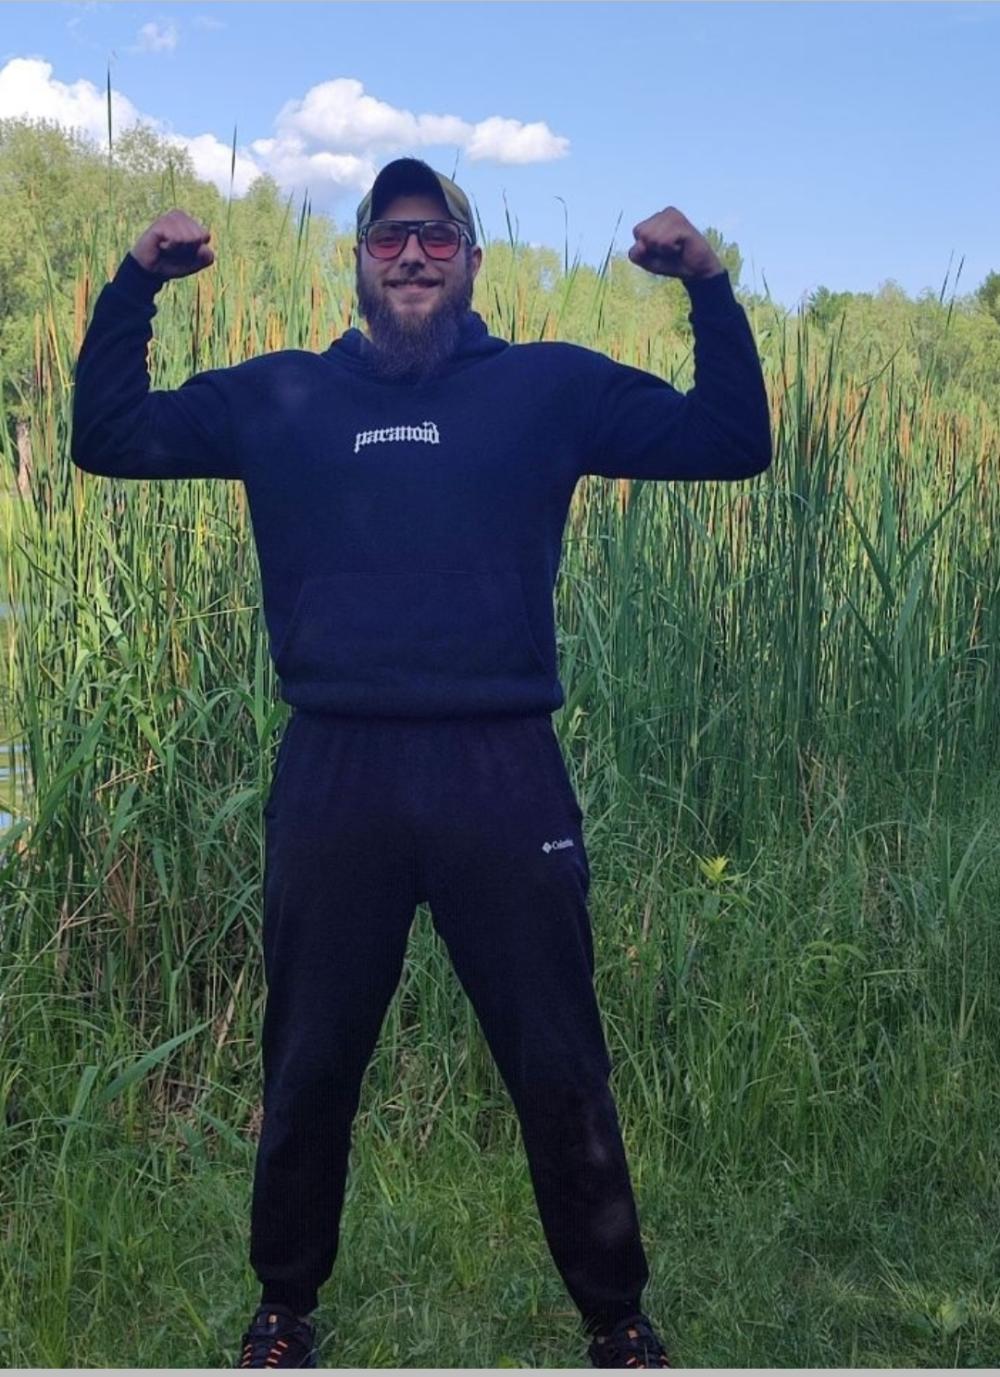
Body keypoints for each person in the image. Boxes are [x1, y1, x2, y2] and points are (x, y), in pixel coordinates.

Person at [72, 156, 772, 1368]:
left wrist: (706, 284)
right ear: (357, 262)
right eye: (388, 236)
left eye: (436, 236)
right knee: (310, 1060)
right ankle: (283, 1309)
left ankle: (617, 1320)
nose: (410, 254)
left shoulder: (547, 388)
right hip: (334, 772)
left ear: (471, 262)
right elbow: (108, 435)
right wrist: (137, 283)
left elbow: (730, 441)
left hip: (502, 771)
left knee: (558, 1061)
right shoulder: (283, 396)